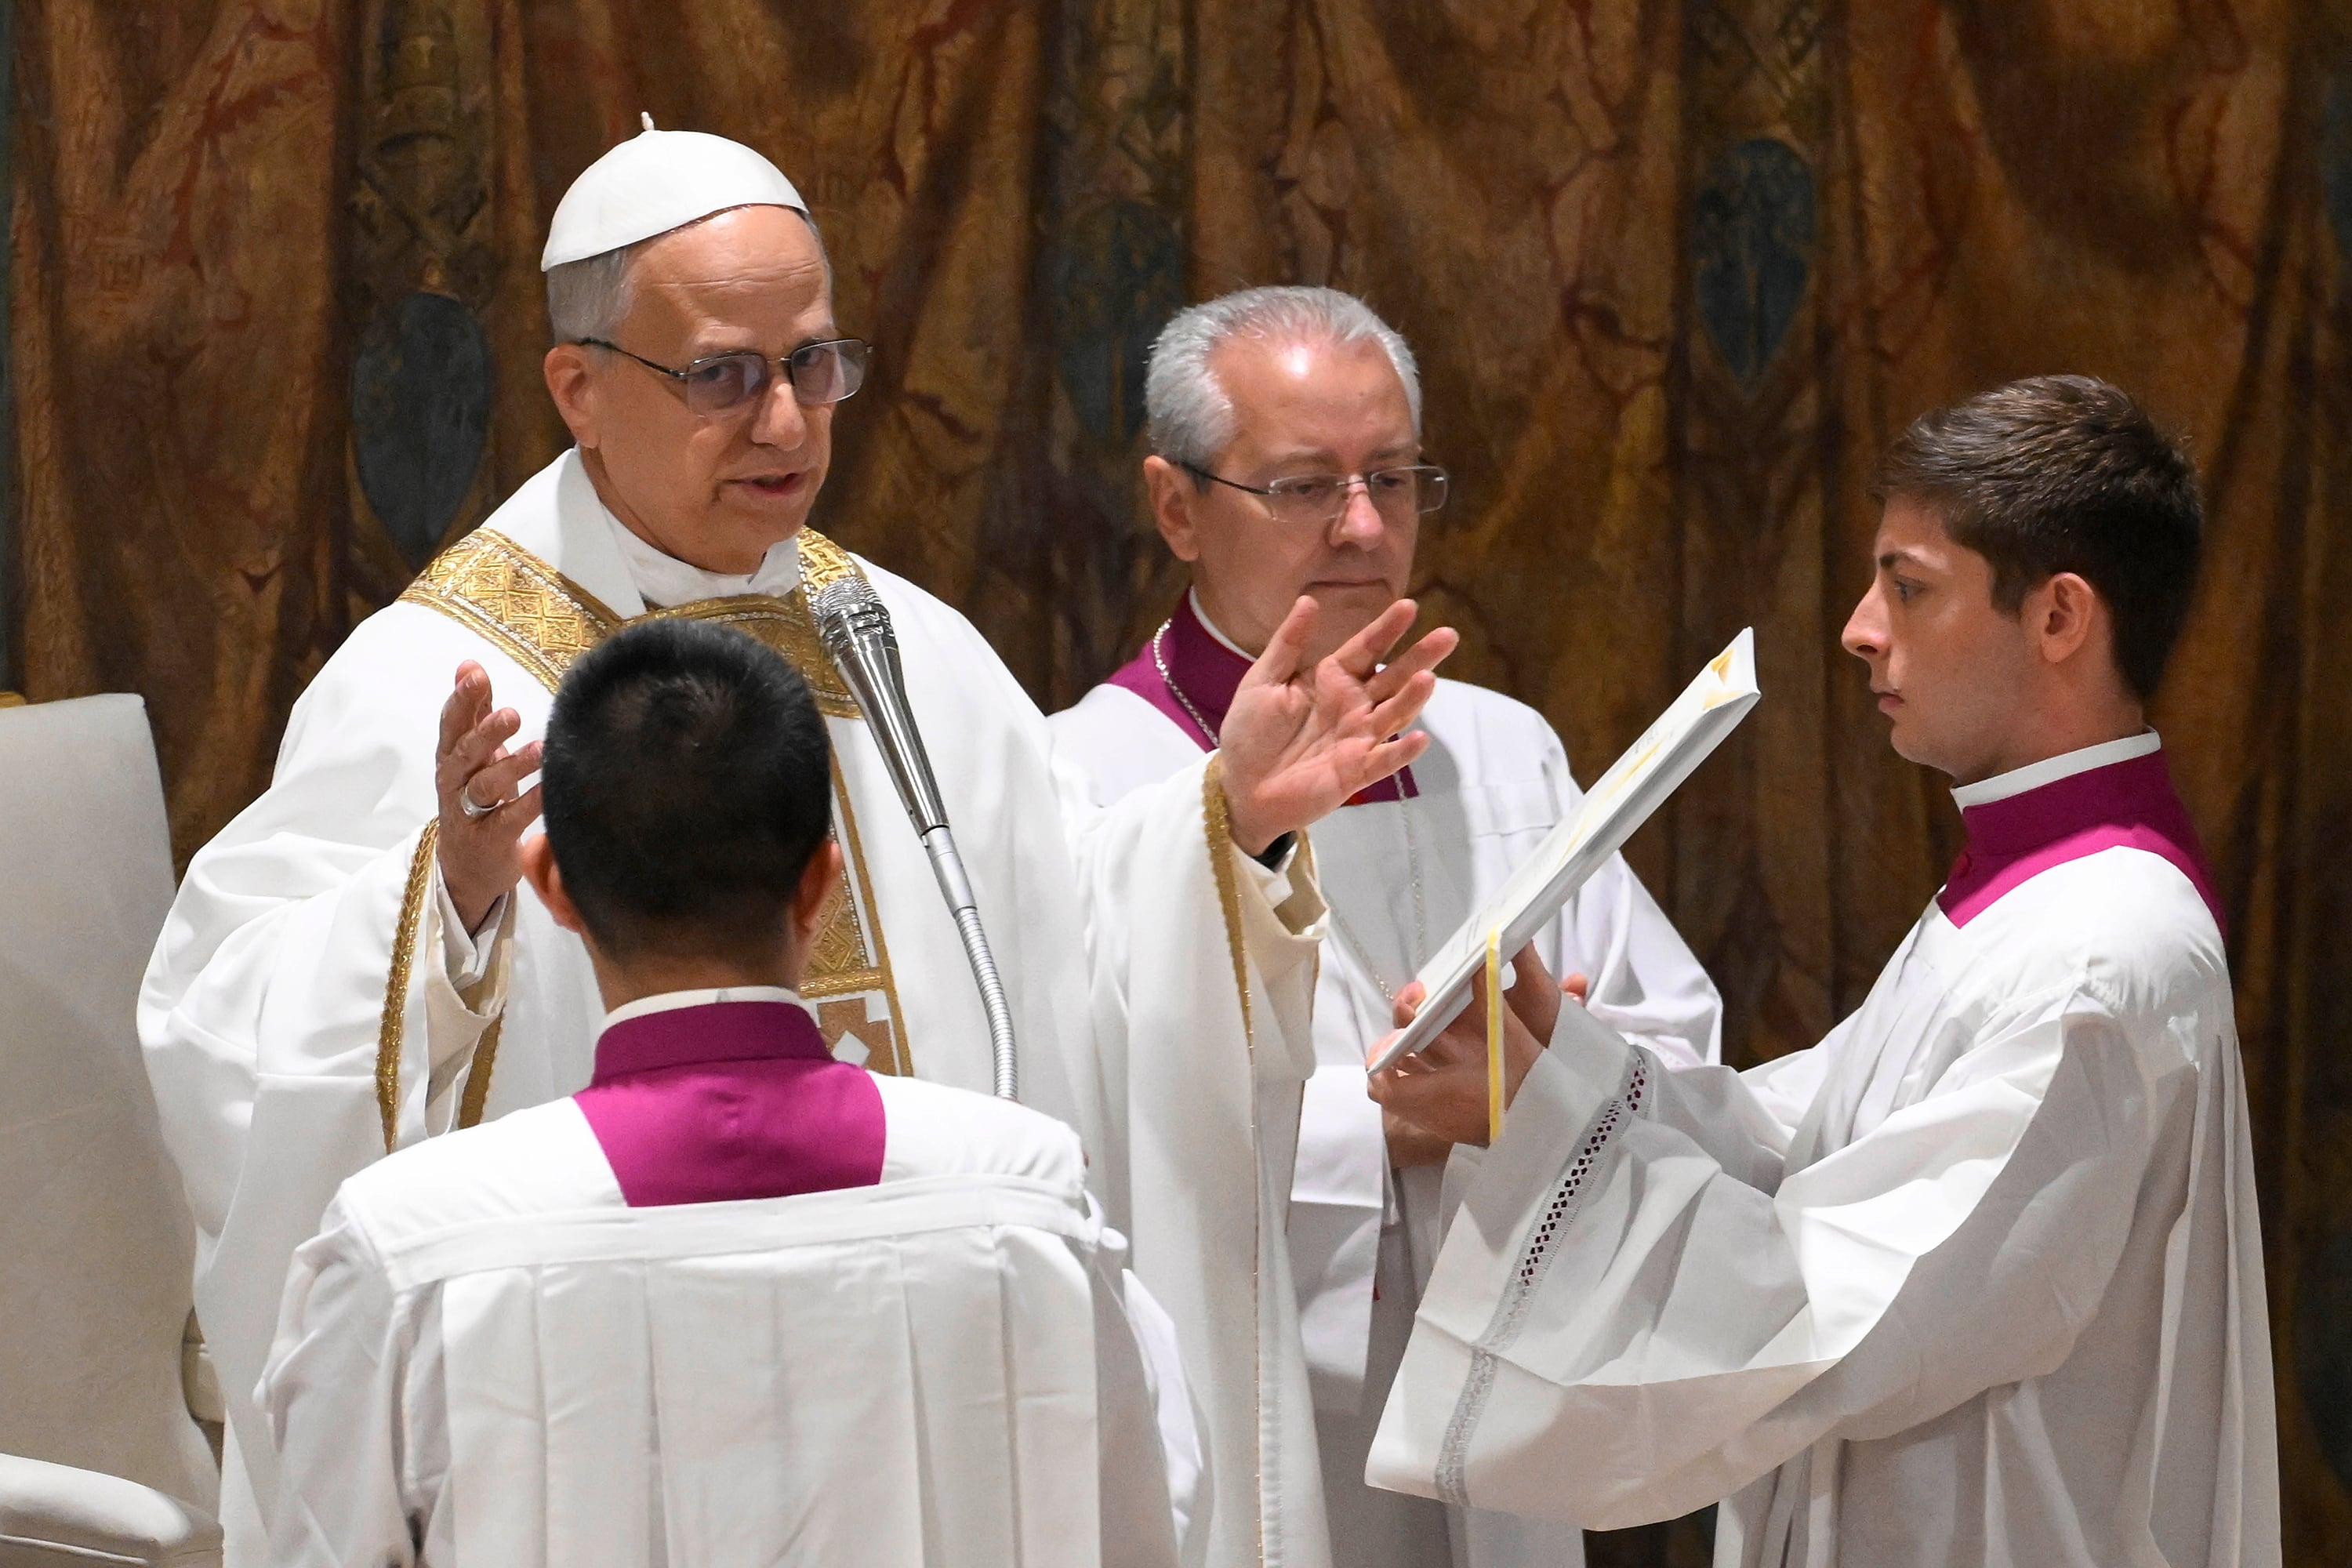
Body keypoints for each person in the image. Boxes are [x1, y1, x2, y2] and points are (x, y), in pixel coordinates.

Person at [143, 125, 1454, 1567]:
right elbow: (226, 1039)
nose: (785, 423)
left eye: (814, 364)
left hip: (915, 1416)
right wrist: (446, 909)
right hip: (598, 1432)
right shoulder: (438, 680)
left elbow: (1065, 945)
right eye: (722, 375)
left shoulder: (899, 648)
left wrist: (1234, 826)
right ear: (578, 387)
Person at [1364, 376, 2279, 1567]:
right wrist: (1558, 1080)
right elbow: (1819, 1145)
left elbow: (1838, 1307)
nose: (1859, 627)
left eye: (1909, 586)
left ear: (2060, 617)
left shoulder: (2100, 950)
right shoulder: (2029, 888)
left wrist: (1548, 1126)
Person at [259, 619, 1197, 1567]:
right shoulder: (1032, 1205)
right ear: (821, 887)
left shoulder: (412, 1251)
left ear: (552, 885)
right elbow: (1147, 1519)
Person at [1051, 285, 1723, 1567]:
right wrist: (1397, 1127)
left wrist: (1550, 1081)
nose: (1363, 527)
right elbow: (1087, 1120)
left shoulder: (1501, 753)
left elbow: (1677, 1038)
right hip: (1258, 1436)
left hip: (1504, 1415)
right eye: (1305, 486)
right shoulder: (1083, 783)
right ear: (1178, 506)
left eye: (1395, 480)